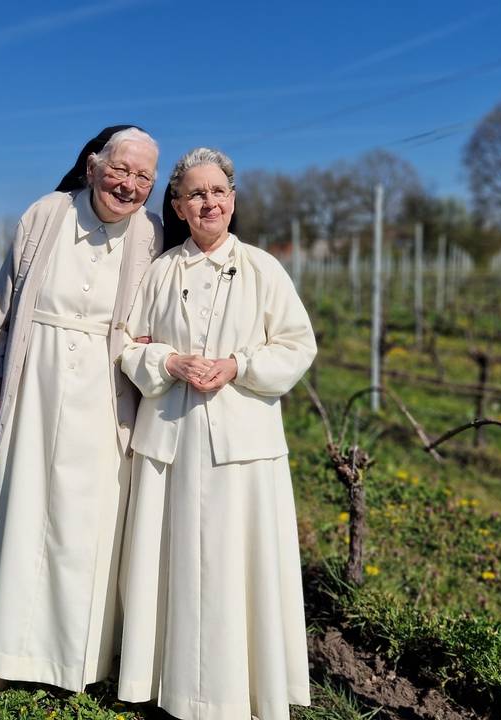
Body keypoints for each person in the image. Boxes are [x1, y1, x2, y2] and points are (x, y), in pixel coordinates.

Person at [117, 147, 315, 720]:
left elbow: (297, 345)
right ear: (176, 207)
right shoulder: (159, 271)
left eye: (218, 192)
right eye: (195, 194)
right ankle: (170, 688)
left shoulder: (263, 269)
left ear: (233, 201)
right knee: (172, 561)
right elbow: (129, 342)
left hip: (243, 448)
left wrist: (237, 365)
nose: (209, 202)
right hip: (170, 444)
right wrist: (169, 364)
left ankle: (240, 694)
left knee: (236, 566)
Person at [0, 127, 165, 696]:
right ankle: (3, 656)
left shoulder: (150, 234)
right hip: (36, 377)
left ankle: (72, 662)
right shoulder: (47, 213)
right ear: (91, 164)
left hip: (105, 388)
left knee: (88, 520)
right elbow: (4, 297)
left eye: (144, 177)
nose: (129, 185)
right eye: (121, 169)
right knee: (23, 509)